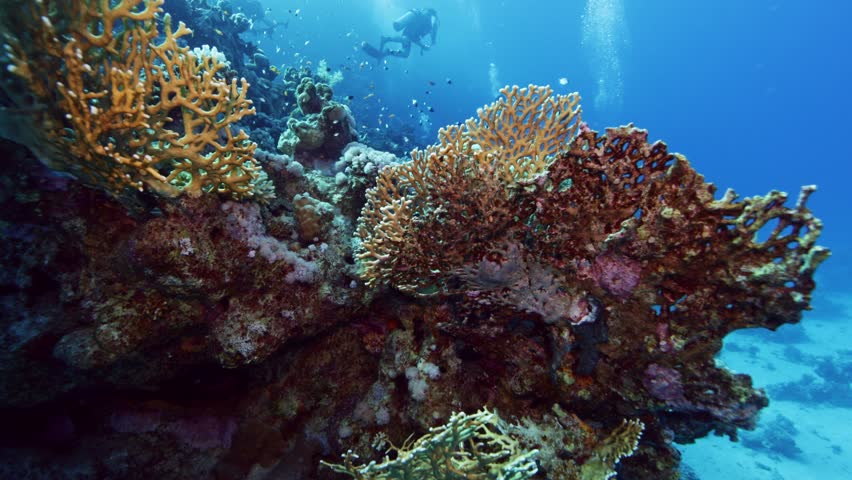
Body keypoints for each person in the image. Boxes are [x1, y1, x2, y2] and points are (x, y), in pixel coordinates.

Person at [362, 8, 439, 60]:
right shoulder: (426, 23)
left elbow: (415, 38)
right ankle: (387, 39)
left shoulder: (426, 26)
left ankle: (387, 52)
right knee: (406, 39)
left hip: (408, 37)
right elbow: (412, 36)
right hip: (407, 36)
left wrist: (422, 45)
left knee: (405, 55)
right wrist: (423, 45)